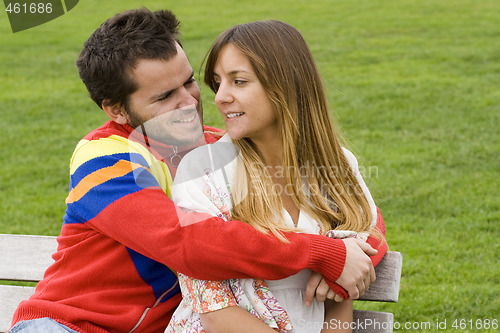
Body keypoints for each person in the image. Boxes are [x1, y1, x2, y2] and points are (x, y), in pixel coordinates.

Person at [9, 8, 386, 333]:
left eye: (188, 81)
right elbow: (186, 242)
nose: (189, 102)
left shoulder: (219, 146)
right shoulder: (104, 160)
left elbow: (362, 215)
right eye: (164, 97)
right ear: (117, 110)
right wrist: (324, 254)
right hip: (66, 324)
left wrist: (353, 263)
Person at [165, 20, 386, 333]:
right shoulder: (201, 171)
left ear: (285, 85)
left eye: (238, 81)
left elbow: (346, 285)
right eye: (218, 83)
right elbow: (211, 305)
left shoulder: (338, 166)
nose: (220, 97)